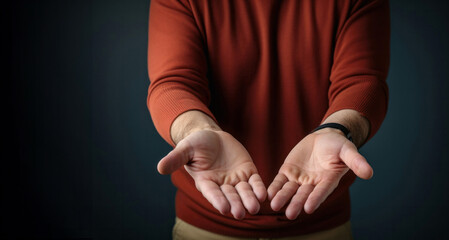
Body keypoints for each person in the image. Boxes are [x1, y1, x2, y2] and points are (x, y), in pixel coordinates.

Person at [147, 0, 389, 239]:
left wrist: (337, 129)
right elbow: (174, 82)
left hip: (320, 222)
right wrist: (197, 129)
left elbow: (362, 82)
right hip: (207, 224)